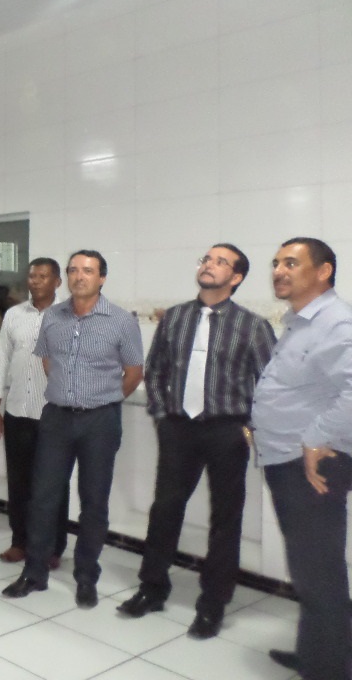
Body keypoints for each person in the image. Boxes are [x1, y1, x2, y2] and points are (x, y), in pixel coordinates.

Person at [117, 244, 275, 638]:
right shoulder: (176, 317)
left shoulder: (253, 326)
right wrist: (161, 416)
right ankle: (152, 588)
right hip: (179, 428)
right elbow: (156, 371)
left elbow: (270, 384)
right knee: (165, 509)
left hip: (227, 430)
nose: (209, 265)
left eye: (221, 262)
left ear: (236, 277)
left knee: (225, 518)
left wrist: (250, 426)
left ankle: (213, 603)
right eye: (207, 259)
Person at [3, 249, 143, 608]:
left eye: (88, 270)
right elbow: (48, 361)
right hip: (57, 418)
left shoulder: (121, 321)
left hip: (100, 421)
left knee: (93, 502)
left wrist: (104, 399)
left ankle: (85, 577)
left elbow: (133, 373)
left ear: (102, 277)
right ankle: (34, 573)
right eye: (74, 270)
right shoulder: (53, 317)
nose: (79, 276)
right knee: (43, 497)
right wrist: (68, 392)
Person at [252, 237, 352, 680]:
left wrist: (314, 438)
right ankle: (317, 653)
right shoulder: (301, 321)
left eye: (291, 263)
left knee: (318, 570)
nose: (279, 271)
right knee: (311, 567)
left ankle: (328, 670)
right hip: (286, 458)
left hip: (311, 465)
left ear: (324, 271)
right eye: (276, 263)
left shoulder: (336, 322)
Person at [0, 257, 69, 568]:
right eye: (32, 275)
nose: (35, 281)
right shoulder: (14, 315)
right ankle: (19, 541)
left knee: (53, 484)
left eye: (43, 276)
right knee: (19, 483)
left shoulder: (68, 315)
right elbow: (1, 362)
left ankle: (53, 547)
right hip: (18, 409)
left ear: (57, 282)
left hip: (54, 414)